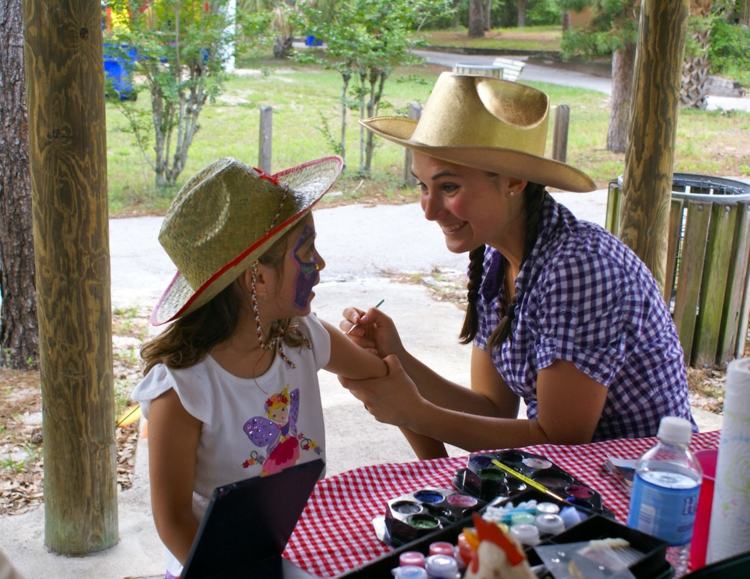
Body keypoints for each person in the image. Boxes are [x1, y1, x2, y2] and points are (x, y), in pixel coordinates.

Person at [339, 72, 695, 460]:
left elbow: (561, 441)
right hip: (569, 489)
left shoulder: (577, 267)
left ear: (513, 181)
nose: (429, 210)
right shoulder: (494, 257)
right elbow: (492, 409)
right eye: (423, 186)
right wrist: (398, 360)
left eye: (449, 187)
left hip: (643, 488)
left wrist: (416, 413)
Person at [131, 156, 388, 578]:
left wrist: (381, 351)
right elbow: (173, 520)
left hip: (292, 549)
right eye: (306, 251)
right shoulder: (181, 391)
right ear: (257, 279)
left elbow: (376, 374)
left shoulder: (303, 336)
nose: (320, 263)